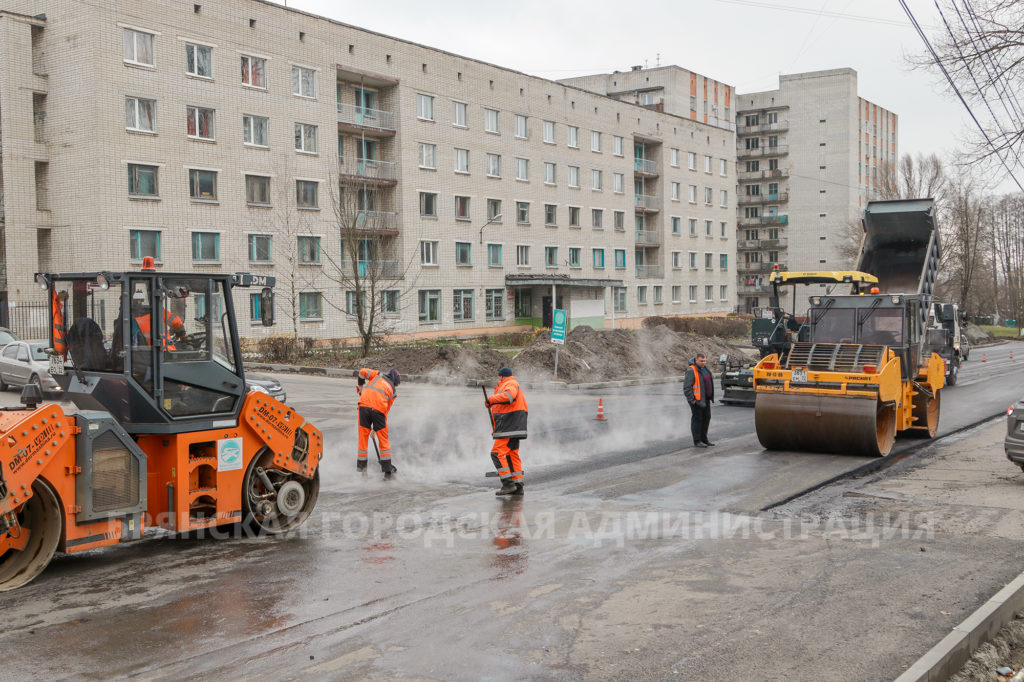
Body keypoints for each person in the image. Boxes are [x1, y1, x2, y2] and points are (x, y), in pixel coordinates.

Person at [485, 367, 528, 496]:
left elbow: (510, 396)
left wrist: (491, 399)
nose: (498, 379)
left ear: (502, 376)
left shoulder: (510, 384)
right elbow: (501, 409)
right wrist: (496, 429)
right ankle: (518, 485)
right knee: (511, 455)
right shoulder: (506, 385)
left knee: (496, 454)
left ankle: (508, 485)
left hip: (510, 426)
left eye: (499, 377)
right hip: (512, 427)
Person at [356, 367, 400, 479]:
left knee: (363, 439)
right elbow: (385, 411)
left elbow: (362, 372)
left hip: (363, 407)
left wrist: (361, 387)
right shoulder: (393, 392)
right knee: (383, 440)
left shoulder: (377, 375)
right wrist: (376, 429)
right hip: (379, 410)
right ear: (395, 382)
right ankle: (387, 472)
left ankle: (363, 472)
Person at [684, 353, 715, 448]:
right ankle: (697, 441)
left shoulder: (705, 368)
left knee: (706, 418)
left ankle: (704, 439)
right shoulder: (691, 370)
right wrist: (692, 399)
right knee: (698, 419)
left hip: (706, 399)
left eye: (705, 361)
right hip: (696, 400)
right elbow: (687, 387)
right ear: (696, 360)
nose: (703, 363)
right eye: (701, 361)